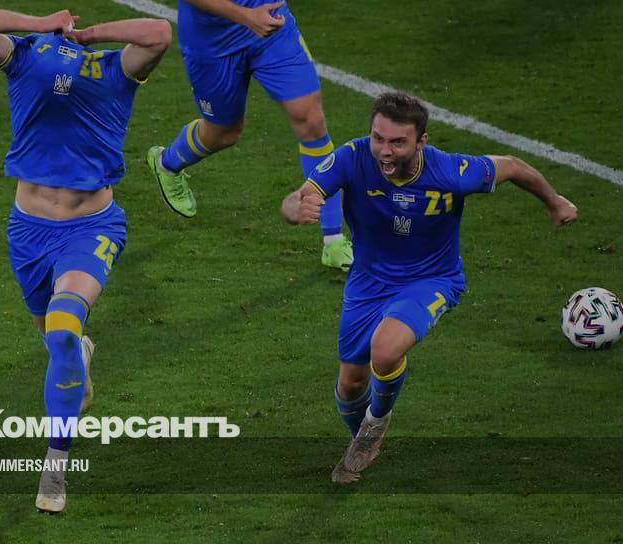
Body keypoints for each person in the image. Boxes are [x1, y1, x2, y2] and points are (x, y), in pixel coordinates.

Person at [280, 92, 579, 483]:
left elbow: (511, 166)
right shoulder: (353, 156)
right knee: (350, 385)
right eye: (378, 138)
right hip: (368, 283)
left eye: (397, 142)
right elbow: (300, 195)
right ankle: (362, 438)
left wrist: (554, 202)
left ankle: (376, 423)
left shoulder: (450, 172)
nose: (384, 151)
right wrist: (295, 209)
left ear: (421, 141)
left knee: (385, 350)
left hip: (431, 279)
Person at [0, 7, 172, 512]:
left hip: (92, 227)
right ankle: (77, 356)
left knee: (63, 324)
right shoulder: (24, 56)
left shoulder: (115, 68)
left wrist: (90, 35)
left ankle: (55, 466)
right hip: (28, 232)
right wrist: (38, 22)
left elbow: (159, 32)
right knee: (56, 340)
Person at [146, 0, 354, 270]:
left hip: (271, 25)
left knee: (311, 120)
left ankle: (333, 240)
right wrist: (245, 16)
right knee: (224, 133)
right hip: (212, 42)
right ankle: (167, 163)